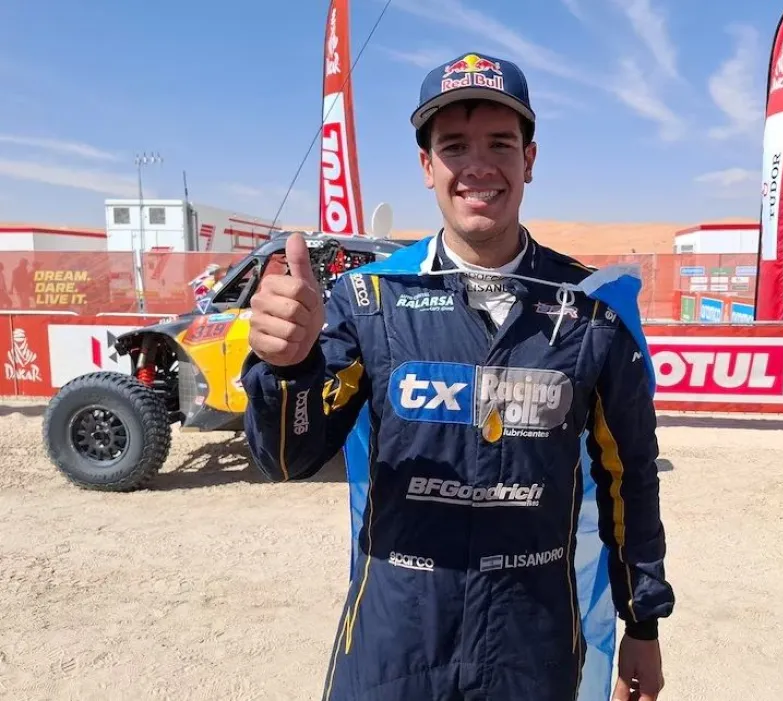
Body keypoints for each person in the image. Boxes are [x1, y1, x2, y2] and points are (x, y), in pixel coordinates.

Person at [240, 51, 675, 701]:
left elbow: (629, 477)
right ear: (427, 166)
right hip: (395, 640)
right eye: (454, 146)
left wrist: (642, 621)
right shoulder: (370, 301)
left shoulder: (591, 310)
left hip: (530, 642)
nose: (478, 165)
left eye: (500, 143)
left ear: (529, 159)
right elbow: (287, 458)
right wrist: (287, 369)